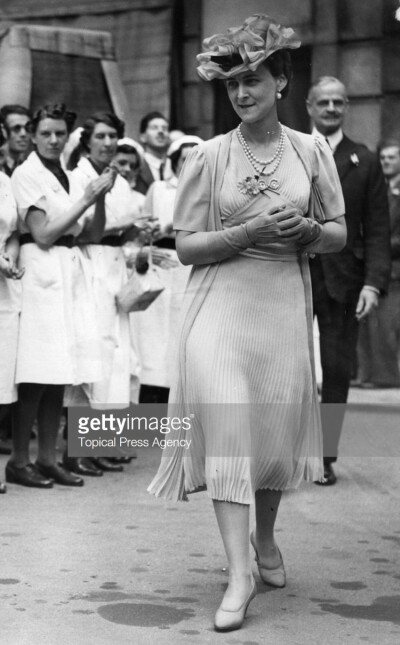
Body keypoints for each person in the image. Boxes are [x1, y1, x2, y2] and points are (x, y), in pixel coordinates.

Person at [148, 14, 346, 633]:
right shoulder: (207, 156)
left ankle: (265, 541)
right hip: (219, 306)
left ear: (282, 81)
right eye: (231, 84)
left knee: (267, 433)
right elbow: (184, 246)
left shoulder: (312, 151)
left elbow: (338, 233)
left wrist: (311, 232)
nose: (241, 93)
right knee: (231, 430)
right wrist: (246, 232)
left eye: (253, 79)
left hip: (280, 308)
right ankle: (239, 574)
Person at [6, 103, 115, 488]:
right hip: (40, 272)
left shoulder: (66, 175)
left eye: (58, 133)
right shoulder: (26, 174)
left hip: (67, 270)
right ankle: (20, 459)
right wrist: (87, 198)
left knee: (59, 372)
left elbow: (90, 235)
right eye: (45, 133)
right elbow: (43, 234)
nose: (53, 140)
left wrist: (99, 197)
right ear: (33, 135)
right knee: (37, 373)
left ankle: (48, 458)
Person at [306, 76, 391, 485]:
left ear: (347, 108)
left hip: (344, 280)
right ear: (309, 106)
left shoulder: (365, 160)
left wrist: (373, 284)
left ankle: (324, 458)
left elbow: (376, 228)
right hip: (294, 274)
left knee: (336, 369)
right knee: (286, 366)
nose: (331, 109)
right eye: (324, 102)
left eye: (339, 102)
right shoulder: (291, 150)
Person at [66, 112, 142, 473]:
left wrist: (136, 232)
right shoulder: (79, 176)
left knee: (116, 355)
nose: (109, 143)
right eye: (101, 136)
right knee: (91, 352)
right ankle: (74, 448)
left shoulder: (118, 178)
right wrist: (107, 207)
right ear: (87, 141)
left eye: (113, 136)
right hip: (90, 263)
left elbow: (122, 230)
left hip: (115, 264)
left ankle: (100, 442)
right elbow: (89, 232)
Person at [132, 135, 202, 404]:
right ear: (174, 161)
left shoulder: (207, 191)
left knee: (183, 338)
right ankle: (151, 411)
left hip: (190, 265)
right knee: (153, 339)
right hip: (160, 265)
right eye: (184, 159)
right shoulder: (159, 189)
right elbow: (143, 229)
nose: (189, 164)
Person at [356, 140, 400, 387]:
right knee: (365, 322)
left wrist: (377, 244)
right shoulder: (376, 189)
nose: (386, 162)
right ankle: (364, 374)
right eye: (382, 158)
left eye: (392, 158)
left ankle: (386, 377)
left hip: (394, 270)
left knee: (385, 324)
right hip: (371, 267)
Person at [0, 127, 24, 493]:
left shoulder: (4, 180)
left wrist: (10, 256)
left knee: (3, 378)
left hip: (4, 288)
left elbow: (15, 230)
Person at [135, 111, 170, 194]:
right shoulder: (136, 165)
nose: (161, 132)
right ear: (143, 137)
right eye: (154, 128)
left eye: (164, 128)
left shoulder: (173, 166)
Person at [0, 105, 32, 176]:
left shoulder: (30, 168)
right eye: (16, 128)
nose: (23, 134)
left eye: (27, 128)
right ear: (3, 131)